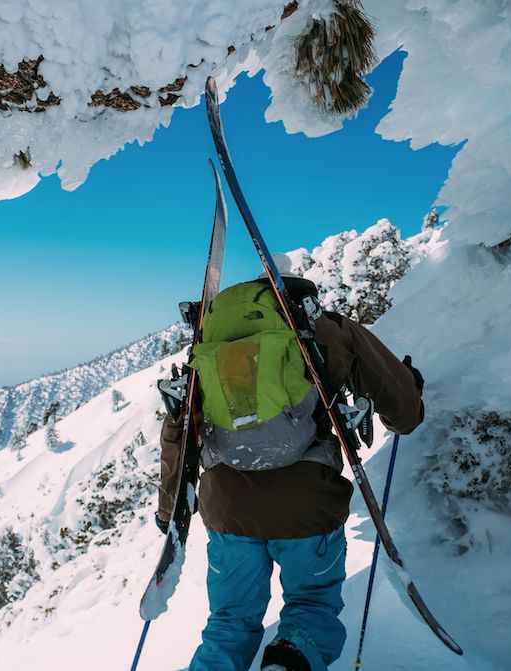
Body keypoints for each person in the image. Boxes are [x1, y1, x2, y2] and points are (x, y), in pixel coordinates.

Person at [156, 260, 425, 671]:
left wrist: (168, 511)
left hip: (228, 508)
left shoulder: (208, 340)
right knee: (310, 607)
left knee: (229, 623)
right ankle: (288, 663)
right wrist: (410, 395)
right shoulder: (322, 328)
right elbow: (402, 411)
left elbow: (180, 425)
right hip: (307, 503)